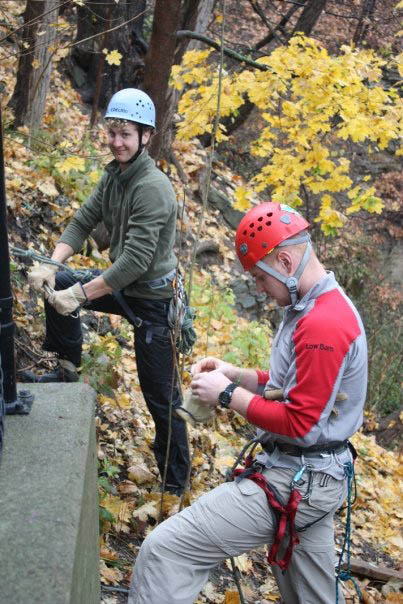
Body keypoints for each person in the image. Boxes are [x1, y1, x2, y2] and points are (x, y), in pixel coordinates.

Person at [128, 201, 368, 604]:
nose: (258, 287)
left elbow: (301, 423)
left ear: (286, 262)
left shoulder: (323, 323)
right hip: (315, 477)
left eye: (259, 276)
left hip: (299, 479)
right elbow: (293, 387)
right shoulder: (311, 307)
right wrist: (238, 375)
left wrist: (227, 396)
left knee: (166, 552)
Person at [24, 88, 190, 496]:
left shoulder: (152, 187)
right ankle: (66, 371)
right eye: (113, 132)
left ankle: (174, 482)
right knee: (61, 282)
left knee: (160, 395)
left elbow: (134, 261)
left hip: (152, 299)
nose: (117, 141)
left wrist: (80, 296)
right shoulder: (114, 176)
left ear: (145, 137)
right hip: (123, 283)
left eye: (126, 134)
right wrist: (53, 263)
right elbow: (83, 221)